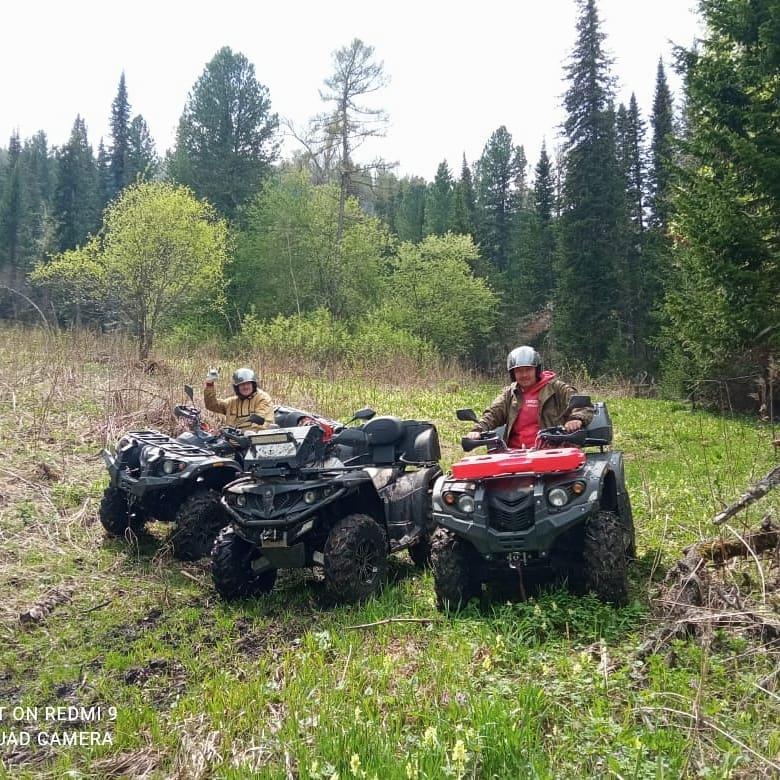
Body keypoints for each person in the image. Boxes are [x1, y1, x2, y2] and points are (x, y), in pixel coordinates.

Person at [466, 346, 594, 449]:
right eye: (519, 371)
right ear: (513, 374)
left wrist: (576, 419)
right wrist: (478, 429)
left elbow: (581, 403)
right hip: (514, 453)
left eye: (528, 369)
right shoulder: (509, 393)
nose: (524, 375)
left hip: (552, 451)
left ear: (537, 370)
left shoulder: (556, 388)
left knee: (575, 481)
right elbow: (493, 413)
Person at [204, 367, 273, 430]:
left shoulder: (262, 398)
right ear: (237, 387)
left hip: (255, 440)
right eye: (242, 384)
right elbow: (212, 405)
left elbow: (262, 423)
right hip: (232, 440)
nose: (245, 387)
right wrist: (209, 384)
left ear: (253, 385)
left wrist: (251, 434)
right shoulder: (232, 402)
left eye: (248, 383)